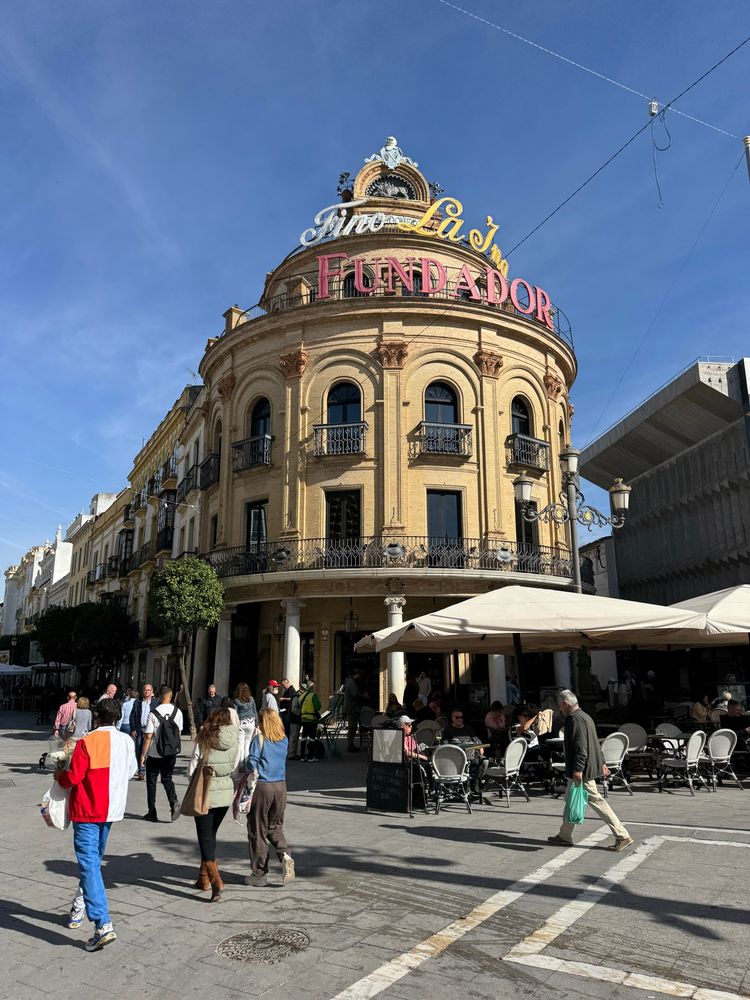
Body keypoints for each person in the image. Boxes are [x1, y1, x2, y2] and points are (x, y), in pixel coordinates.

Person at [56, 697, 137, 951]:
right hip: (111, 810)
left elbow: (74, 777)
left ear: (96, 717)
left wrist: (60, 775)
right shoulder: (126, 741)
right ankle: (79, 907)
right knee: (93, 864)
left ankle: (103, 923)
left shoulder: (87, 741)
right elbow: (131, 770)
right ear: (117, 718)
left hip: (88, 810)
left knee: (89, 865)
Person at [548, 690, 633, 852]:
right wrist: (602, 762)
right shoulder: (585, 717)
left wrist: (578, 769)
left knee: (596, 801)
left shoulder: (575, 720)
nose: (560, 708)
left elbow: (582, 748)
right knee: (571, 799)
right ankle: (565, 835)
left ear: (565, 704)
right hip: (585, 767)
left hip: (582, 770)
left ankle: (622, 835)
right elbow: (594, 742)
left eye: (560, 705)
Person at [188, 707, 240, 901]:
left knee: (205, 836)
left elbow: (194, 762)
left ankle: (216, 879)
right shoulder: (235, 738)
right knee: (210, 835)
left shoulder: (204, 736)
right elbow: (235, 766)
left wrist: (191, 780)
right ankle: (203, 878)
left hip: (205, 790)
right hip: (225, 791)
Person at [245, 708, 295, 887]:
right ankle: (285, 855)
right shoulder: (284, 739)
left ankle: (259, 874)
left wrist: (246, 764)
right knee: (275, 827)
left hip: (263, 786)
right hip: (281, 786)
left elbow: (252, 762)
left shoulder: (259, 739)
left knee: (257, 830)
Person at [140, 686, 183, 822]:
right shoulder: (178, 712)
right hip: (170, 753)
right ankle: (173, 801)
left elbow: (148, 736)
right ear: (170, 696)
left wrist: (143, 755)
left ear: (159, 696)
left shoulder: (153, 713)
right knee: (167, 778)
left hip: (154, 753)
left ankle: (152, 812)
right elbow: (178, 733)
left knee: (151, 782)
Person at [129, 683, 157, 781]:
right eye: (145, 690)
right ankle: (141, 771)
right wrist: (132, 729)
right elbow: (132, 716)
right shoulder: (137, 702)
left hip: (150, 730)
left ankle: (146, 769)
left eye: (149, 690)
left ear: (152, 692)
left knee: (148, 751)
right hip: (139, 729)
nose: (146, 692)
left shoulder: (155, 703)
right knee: (138, 749)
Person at [299, 681, 321, 762]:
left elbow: (299, 704)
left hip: (303, 719)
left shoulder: (302, 696)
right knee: (312, 738)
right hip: (311, 720)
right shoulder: (313, 695)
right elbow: (318, 706)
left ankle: (302, 757)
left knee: (303, 738)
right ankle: (311, 757)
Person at [343, 670, 364, 751]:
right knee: (352, 727)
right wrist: (363, 696)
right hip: (352, 708)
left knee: (352, 727)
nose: (360, 677)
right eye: (359, 675)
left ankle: (350, 744)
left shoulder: (350, 682)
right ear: (356, 675)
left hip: (352, 708)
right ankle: (350, 745)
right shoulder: (351, 683)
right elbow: (355, 694)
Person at [287, 684, 302, 760]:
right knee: (294, 737)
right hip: (295, 719)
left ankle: (293, 753)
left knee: (295, 736)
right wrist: (301, 713)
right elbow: (294, 709)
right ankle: (291, 754)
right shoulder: (296, 697)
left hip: (295, 719)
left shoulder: (296, 696)